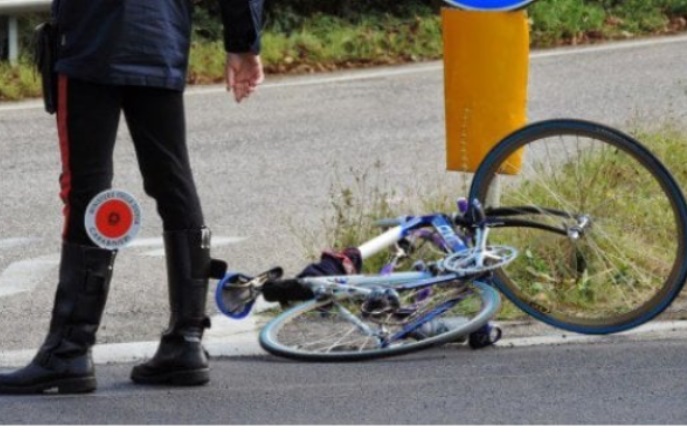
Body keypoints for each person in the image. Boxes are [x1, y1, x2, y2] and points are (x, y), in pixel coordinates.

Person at [0, 0, 264, 394]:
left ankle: (69, 350)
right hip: (160, 36)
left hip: (91, 38)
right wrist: (243, 42)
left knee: (86, 189)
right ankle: (187, 340)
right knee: (173, 180)